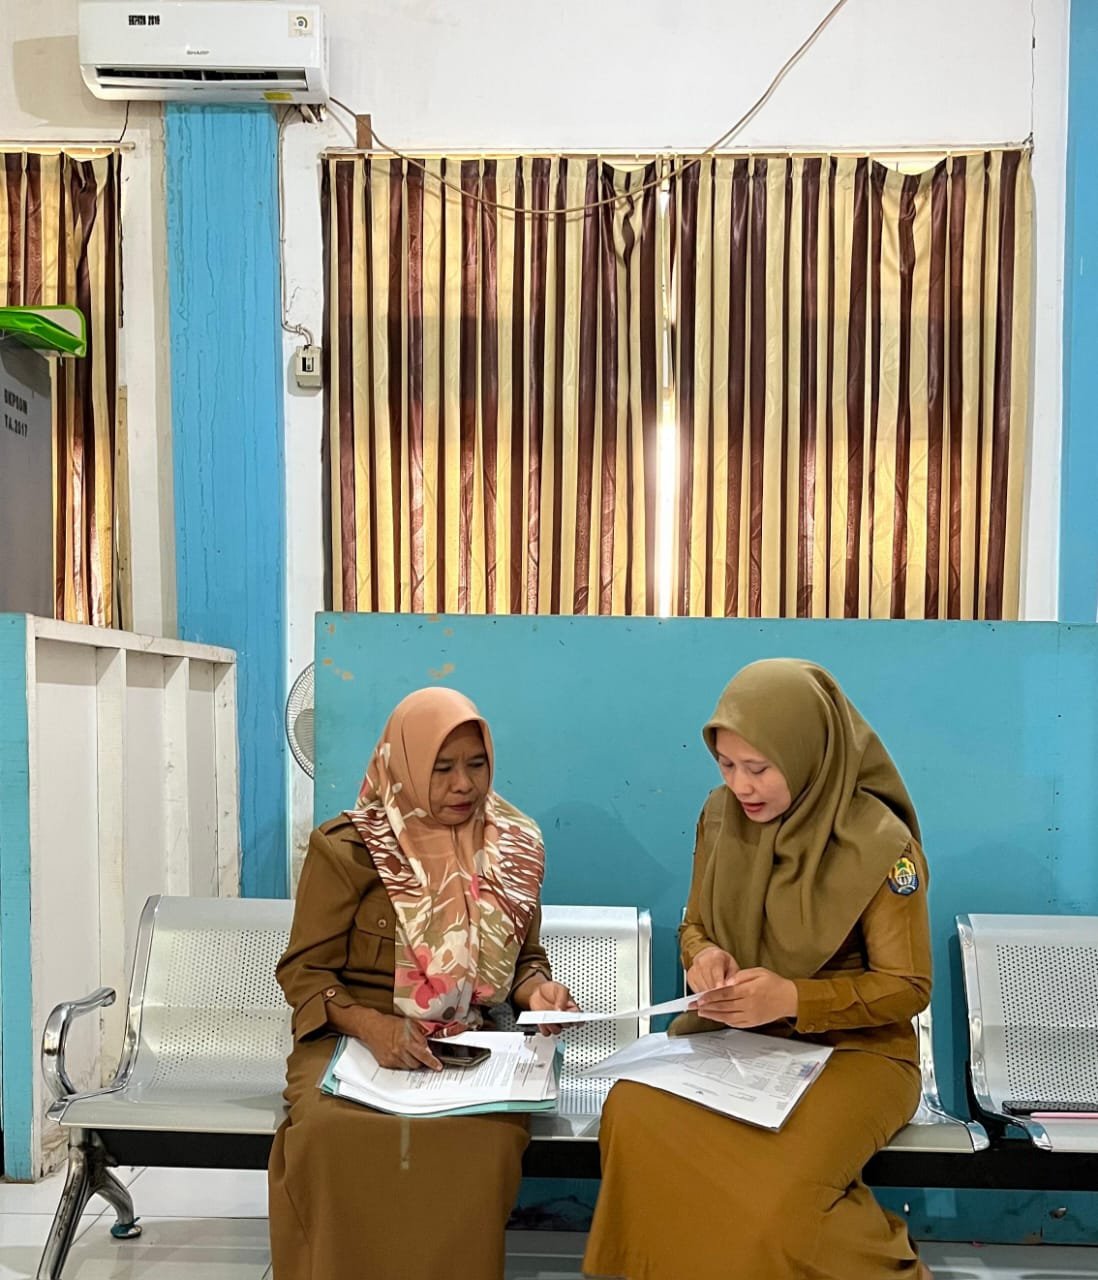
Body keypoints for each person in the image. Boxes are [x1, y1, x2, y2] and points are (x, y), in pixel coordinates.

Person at [583, 659, 933, 1280]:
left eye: (759, 767)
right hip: (737, 1041)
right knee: (636, 1111)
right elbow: (695, 924)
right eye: (726, 765)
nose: (742, 786)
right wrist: (704, 957)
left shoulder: (880, 843)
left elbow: (907, 987)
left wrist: (794, 998)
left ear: (807, 755)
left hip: (857, 1053)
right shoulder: (720, 816)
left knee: (779, 1208)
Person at [268, 686, 576, 1280]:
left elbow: (523, 958)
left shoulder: (512, 845)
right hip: (352, 1042)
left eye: (476, 764)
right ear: (406, 764)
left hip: (470, 1044)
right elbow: (305, 972)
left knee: (485, 1140)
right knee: (331, 1134)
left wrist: (538, 992)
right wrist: (372, 1026)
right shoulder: (350, 848)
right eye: (442, 768)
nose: (464, 785)